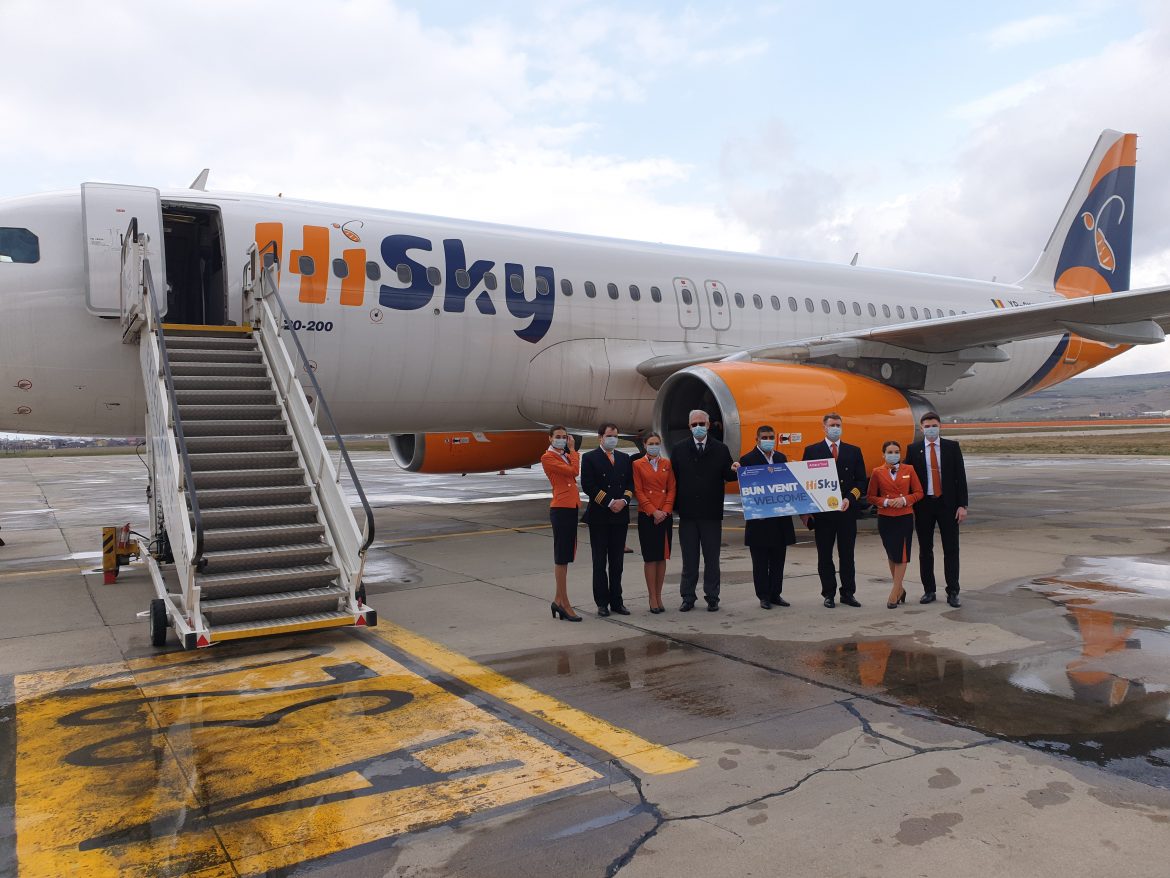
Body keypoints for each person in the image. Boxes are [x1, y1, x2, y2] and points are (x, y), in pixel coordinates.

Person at [670, 409, 740, 612]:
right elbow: (672, 480)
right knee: (689, 559)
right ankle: (688, 596)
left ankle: (712, 596)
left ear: (708, 425)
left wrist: (736, 470)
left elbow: (727, 474)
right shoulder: (679, 449)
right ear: (689, 426)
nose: (698, 427)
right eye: (694, 424)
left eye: (701, 424)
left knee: (712, 559)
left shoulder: (720, 449)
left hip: (711, 514)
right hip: (688, 514)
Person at [802, 413, 867, 607]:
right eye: (832, 425)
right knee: (824, 556)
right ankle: (828, 593)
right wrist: (807, 512)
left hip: (846, 512)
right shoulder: (812, 451)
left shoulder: (853, 451)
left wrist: (850, 498)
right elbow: (805, 481)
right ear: (824, 427)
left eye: (838, 425)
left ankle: (848, 593)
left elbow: (861, 481)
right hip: (823, 514)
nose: (835, 428)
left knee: (847, 555)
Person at [905, 411, 969, 608]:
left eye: (934, 425)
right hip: (924, 505)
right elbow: (908, 479)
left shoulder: (952, 447)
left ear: (940, 426)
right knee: (925, 550)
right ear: (921, 428)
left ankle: (953, 591)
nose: (931, 429)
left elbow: (960, 477)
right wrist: (909, 503)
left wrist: (962, 505)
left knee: (951, 549)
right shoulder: (913, 449)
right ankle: (929, 590)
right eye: (927, 426)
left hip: (948, 505)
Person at [580, 423, 635, 616]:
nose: (613, 439)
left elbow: (630, 483)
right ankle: (602, 603)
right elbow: (588, 485)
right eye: (609, 436)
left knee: (617, 563)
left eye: (615, 436)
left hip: (620, 516)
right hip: (600, 517)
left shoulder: (624, 458)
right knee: (599, 562)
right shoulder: (589, 458)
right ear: (600, 437)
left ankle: (617, 601)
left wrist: (624, 500)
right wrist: (610, 502)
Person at [739, 425, 796, 609]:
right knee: (761, 562)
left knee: (778, 560)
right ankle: (763, 596)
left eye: (771, 437)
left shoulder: (781, 458)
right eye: (764, 437)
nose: (768, 440)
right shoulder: (747, 460)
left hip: (780, 519)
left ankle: (775, 594)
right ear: (757, 439)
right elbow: (747, 490)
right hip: (759, 520)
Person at [867, 441, 924, 609]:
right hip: (885, 518)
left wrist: (904, 500)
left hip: (904, 516)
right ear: (883, 454)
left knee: (902, 554)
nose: (894, 455)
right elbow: (871, 496)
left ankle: (894, 592)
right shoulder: (877, 472)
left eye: (897, 452)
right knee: (892, 554)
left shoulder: (909, 470)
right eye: (890, 452)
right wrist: (885, 502)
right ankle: (900, 589)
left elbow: (919, 492)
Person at [540, 425, 582, 622]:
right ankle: (564, 603)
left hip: (571, 506)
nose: (562, 440)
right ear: (550, 438)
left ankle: (558, 600)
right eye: (558, 436)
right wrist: (573, 450)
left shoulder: (563, 455)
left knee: (566, 555)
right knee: (561, 557)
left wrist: (569, 452)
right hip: (561, 508)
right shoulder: (548, 457)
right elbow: (574, 471)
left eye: (565, 437)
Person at [632, 432, 676, 613]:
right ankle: (652, 597)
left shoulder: (667, 463)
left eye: (657, 443)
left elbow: (671, 488)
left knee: (662, 557)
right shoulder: (637, 464)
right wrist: (653, 511)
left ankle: (659, 595)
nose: (654, 446)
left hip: (664, 515)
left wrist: (665, 510)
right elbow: (638, 491)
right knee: (650, 558)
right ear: (644, 445)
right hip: (648, 515)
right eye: (651, 443)